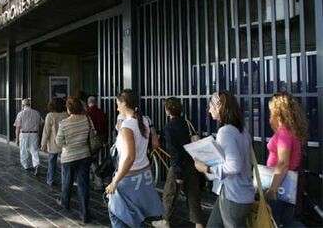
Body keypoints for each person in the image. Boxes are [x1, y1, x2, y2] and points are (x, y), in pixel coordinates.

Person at [193, 91, 254, 228]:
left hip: (233, 196)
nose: (209, 110)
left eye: (210, 106)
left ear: (219, 107)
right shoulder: (242, 130)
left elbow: (234, 166)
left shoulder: (225, 132)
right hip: (238, 194)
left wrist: (206, 168)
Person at [106, 89, 164, 227]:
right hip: (144, 174)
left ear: (124, 103)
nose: (117, 107)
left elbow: (129, 157)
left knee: (117, 214)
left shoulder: (127, 126)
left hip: (128, 178)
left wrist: (115, 181)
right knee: (138, 216)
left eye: (118, 104)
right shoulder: (144, 120)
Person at [152, 97, 204, 228]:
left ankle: (165, 221)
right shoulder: (186, 122)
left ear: (168, 110)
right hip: (192, 163)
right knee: (193, 195)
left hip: (179, 166)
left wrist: (179, 173)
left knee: (169, 194)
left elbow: (174, 151)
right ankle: (199, 223)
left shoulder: (169, 127)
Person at [265, 92, 308, 226]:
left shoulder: (284, 132)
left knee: (278, 221)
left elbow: (283, 163)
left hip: (281, 184)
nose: (270, 113)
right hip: (289, 183)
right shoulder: (292, 130)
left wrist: (272, 189)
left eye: (271, 109)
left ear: (278, 111)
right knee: (287, 220)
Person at [55, 96, 93, 223]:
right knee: (83, 185)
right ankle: (85, 213)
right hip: (84, 155)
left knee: (67, 182)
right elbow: (92, 134)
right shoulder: (87, 119)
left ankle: (65, 203)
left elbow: (59, 142)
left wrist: (67, 143)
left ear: (69, 109)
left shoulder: (64, 123)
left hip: (69, 157)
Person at [41, 97, 68, 186]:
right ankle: (65, 181)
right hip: (65, 143)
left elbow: (46, 131)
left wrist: (43, 144)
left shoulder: (50, 115)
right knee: (64, 163)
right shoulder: (66, 114)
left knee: (52, 162)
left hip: (53, 143)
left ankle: (51, 179)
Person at [14, 98, 43, 176]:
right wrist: (39, 134)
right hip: (34, 133)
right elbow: (41, 124)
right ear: (30, 104)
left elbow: (17, 127)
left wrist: (17, 139)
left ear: (23, 105)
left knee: (23, 150)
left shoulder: (20, 114)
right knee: (34, 150)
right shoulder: (36, 113)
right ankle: (36, 164)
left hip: (24, 133)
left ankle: (26, 166)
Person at [86, 95, 108, 189]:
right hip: (100, 139)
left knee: (91, 161)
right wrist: (105, 140)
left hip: (91, 141)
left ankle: (98, 181)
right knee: (94, 160)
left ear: (88, 103)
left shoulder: (87, 113)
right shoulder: (101, 112)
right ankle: (96, 180)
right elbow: (105, 127)